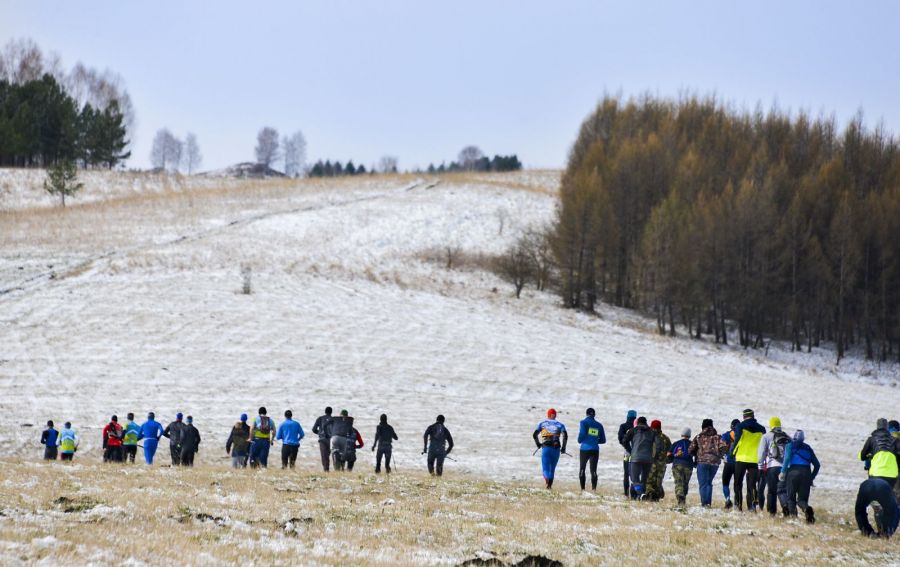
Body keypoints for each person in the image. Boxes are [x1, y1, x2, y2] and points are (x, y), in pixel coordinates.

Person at [780, 429, 820, 523]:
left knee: (791, 498)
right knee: (802, 500)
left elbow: (787, 459)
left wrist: (782, 472)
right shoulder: (808, 448)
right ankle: (807, 510)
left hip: (793, 472)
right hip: (806, 473)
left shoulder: (789, 445)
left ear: (794, 437)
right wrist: (811, 477)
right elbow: (817, 465)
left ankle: (793, 519)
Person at [731, 409, 766, 511]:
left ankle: (738, 505)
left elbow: (737, 441)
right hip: (754, 459)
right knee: (752, 484)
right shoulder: (762, 429)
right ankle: (752, 506)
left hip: (741, 457)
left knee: (738, 483)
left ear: (744, 416)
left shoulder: (740, 426)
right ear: (753, 416)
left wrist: (732, 453)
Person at [689, 418, 729, 507]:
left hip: (702, 462)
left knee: (703, 484)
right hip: (714, 463)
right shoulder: (718, 437)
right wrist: (719, 455)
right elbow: (724, 447)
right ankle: (708, 503)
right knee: (709, 483)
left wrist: (696, 454)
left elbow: (690, 450)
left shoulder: (699, 437)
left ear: (703, 426)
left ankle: (705, 504)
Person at [758, 416, 790, 516]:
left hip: (772, 467)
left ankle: (772, 512)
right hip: (785, 467)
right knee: (783, 490)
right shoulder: (787, 437)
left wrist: (760, 466)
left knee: (771, 491)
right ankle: (785, 506)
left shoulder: (766, 436)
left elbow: (762, 453)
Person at [623, 416, 657, 500]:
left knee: (635, 480)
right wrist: (654, 456)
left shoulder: (633, 430)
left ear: (637, 423)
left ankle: (640, 494)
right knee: (644, 480)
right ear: (646, 422)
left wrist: (630, 450)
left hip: (635, 458)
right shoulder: (652, 431)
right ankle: (640, 497)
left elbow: (624, 441)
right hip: (648, 459)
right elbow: (658, 445)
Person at [860, 418, 900, 489]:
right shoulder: (896, 440)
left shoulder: (872, 439)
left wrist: (867, 465)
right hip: (892, 474)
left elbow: (863, 457)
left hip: (876, 473)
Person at [533, 408, 568, 489]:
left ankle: (547, 483)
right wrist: (563, 448)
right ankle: (549, 486)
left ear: (548, 415)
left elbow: (534, 435)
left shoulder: (542, 423)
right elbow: (565, 436)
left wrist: (538, 444)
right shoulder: (560, 424)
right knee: (552, 469)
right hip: (556, 448)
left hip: (546, 447)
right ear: (555, 415)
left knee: (545, 469)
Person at [577, 408, 606, 491]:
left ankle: (583, 490)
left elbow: (582, 434)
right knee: (593, 471)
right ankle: (594, 490)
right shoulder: (599, 425)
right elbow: (603, 440)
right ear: (594, 415)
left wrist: (579, 440)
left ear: (586, 414)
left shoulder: (583, 422)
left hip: (584, 449)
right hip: (595, 449)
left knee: (582, 469)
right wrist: (595, 441)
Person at [646, 419, 672, 501]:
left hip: (651, 463)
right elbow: (670, 451)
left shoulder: (648, 436)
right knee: (658, 481)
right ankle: (656, 497)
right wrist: (666, 460)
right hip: (662, 464)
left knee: (649, 481)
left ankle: (650, 496)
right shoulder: (666, 438)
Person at [671, 428, 694, 507]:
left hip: (677, 464)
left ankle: (680, 497)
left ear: (682, 434)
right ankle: (683, 496)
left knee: (678, 482)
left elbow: (669, 454)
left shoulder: (676, 443)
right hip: (688, 465)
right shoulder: (692, 444)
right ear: (689, 435)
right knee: (685, 483)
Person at [618, 409, 638, 496]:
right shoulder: (637, 428)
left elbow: (620, 439)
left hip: (627, 453)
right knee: (635, 474)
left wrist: (626, 447)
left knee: (626, 473)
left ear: (627, 417)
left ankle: (626, 493)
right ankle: (635, 493)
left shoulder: (623, 426)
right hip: (636, 454)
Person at [721, 419, 739, 509]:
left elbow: (721, 447)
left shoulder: (726, 435)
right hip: (739, 463)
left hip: (728, 462)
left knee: (725, 483)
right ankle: (737, 502)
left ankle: (727, 499)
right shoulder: (742, 435)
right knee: (737, 484)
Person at [312, 407, 334, 472]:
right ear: (331, 412)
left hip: (322, 440)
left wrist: (319, 433)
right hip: (331, 440)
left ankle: (326, 469)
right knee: (330, 454)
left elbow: (314, 429)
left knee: (324, 455)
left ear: (325, 411)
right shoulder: (333, 420)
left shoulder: (320, 418)